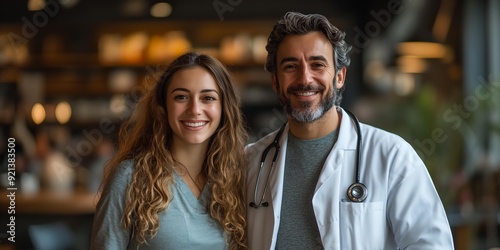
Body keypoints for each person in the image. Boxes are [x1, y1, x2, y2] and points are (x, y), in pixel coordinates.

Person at [245, 12, 454, 249]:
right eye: (291, 66)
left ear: (340, 77)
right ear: (275, 81)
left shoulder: (392, 155)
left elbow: (432, 244)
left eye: (317, 64)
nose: (305, 78)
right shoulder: (251, 162)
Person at [91, 52, 247, 250]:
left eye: (208, 98)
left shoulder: (238, 179)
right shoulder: (130, 177)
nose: (195, 109)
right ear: (163, 105)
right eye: (181, 97)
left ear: (224, 107)